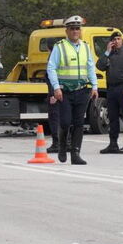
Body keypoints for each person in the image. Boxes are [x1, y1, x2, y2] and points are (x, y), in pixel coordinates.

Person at [46, 15, 98, 165]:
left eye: (78, 28)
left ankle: (75, 153)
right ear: (67, 31)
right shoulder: (60, 47)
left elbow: (90, 67)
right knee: (65, 122)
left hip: (82, 90)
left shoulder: (85, 46)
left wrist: (94, 86)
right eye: (72, 29)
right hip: (65, 91)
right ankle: (62, 147)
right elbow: (51, 68)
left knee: (79, 123)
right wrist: (56, 88)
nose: (76, 31)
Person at [96, 31, 123, 154]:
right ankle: (113, 144)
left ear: (122, 40)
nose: (116, 41)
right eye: (114, 39)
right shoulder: (109, 54)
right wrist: (107, 51)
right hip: (111, 89)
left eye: (118, 39)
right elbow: (100, 66)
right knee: (112, 117)